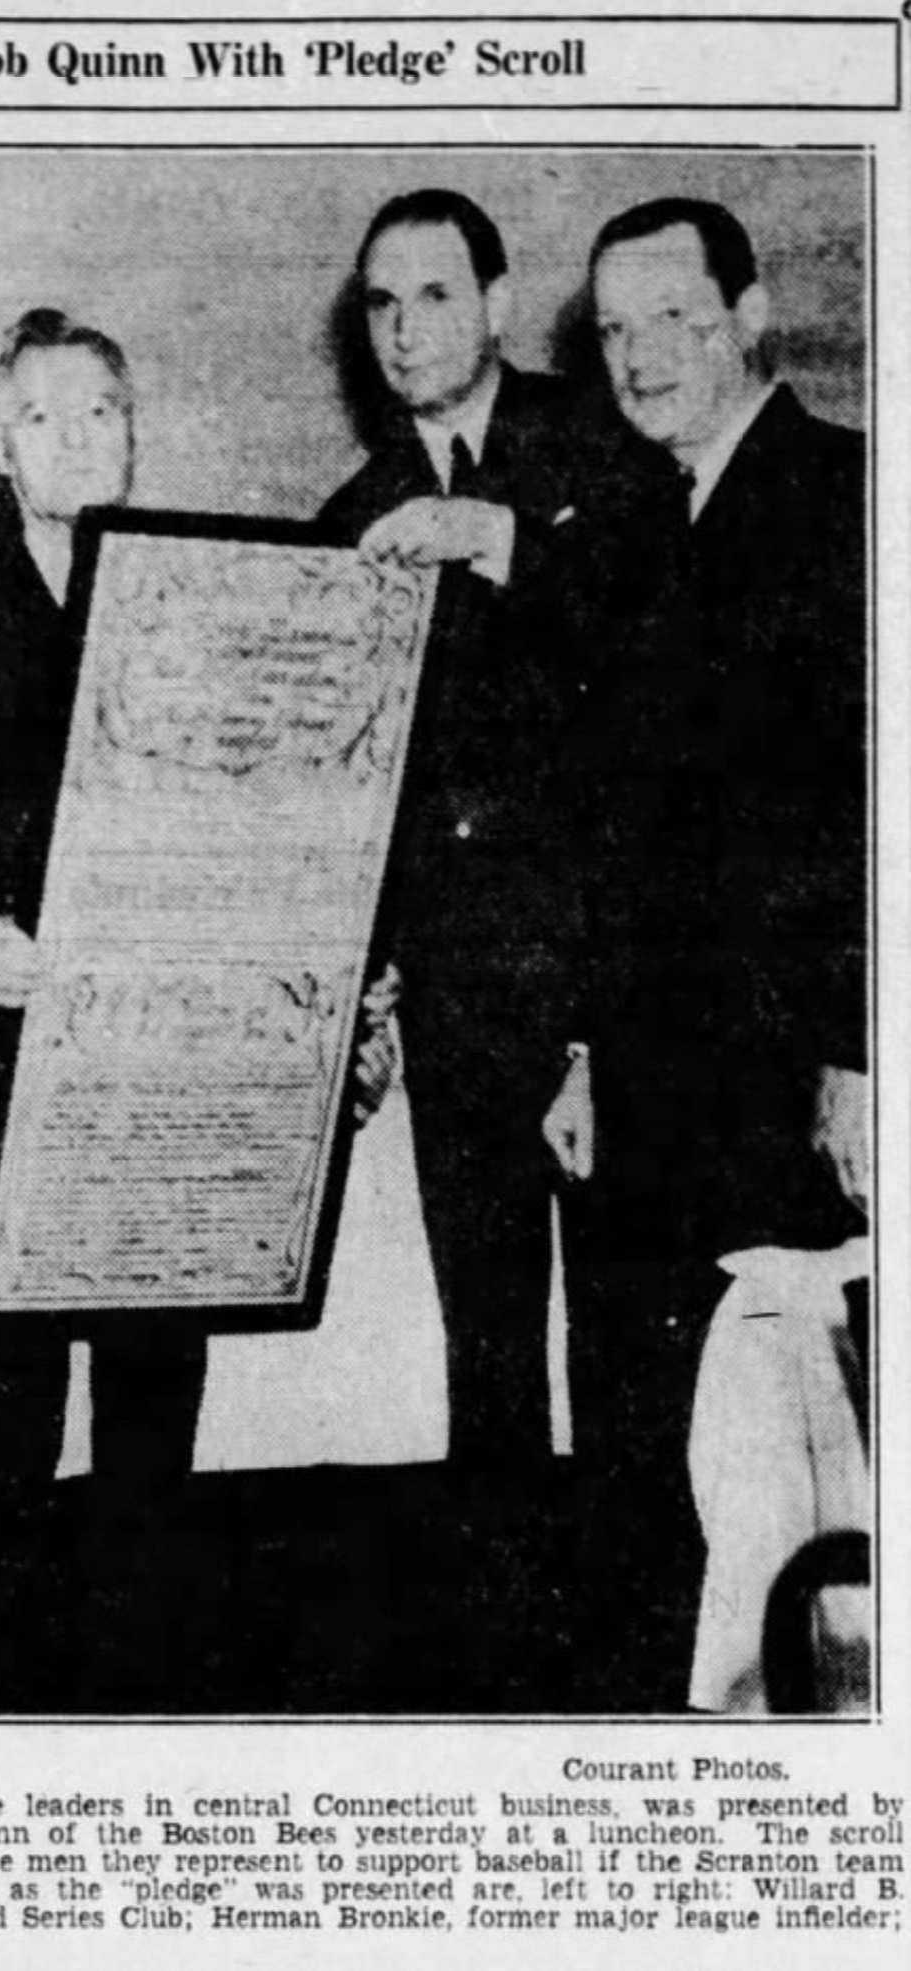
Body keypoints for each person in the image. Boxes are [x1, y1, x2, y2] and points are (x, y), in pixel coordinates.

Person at [553, 199, 866, 1705]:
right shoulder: (629, 524)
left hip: (791, 1091)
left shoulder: (848, 497)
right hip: (641, 1093)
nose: (635, 355)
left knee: (798, 1500)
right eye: (611, 328)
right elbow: (608, 830)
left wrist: (864, 1055)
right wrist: (575, 1050)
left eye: (669, 316)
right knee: (652, 1462)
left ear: (747, 313)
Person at [317, 189, 653, 1480]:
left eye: (435, 295)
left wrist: (495, 538)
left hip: (614, 992)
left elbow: (659, 662)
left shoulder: (610, 449)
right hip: (460, 1005)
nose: (403, 331)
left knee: (628, 1355)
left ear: (501, 304)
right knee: (490, 1368)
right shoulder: (349, 516)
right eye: (381, 305)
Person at [0, 311, 209, 1499]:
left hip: (166, 1070)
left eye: (97, 411)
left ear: (131, 433)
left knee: (156, 1385)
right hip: (0, 1075)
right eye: (38, 416)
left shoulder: (212, 608)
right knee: (9, 1390)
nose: (72, 438)